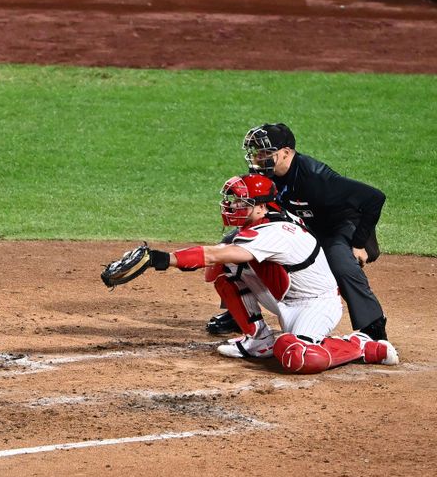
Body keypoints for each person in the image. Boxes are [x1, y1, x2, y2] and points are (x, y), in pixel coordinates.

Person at [149, 173, 398, 373]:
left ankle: (360, 345)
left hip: (315, 305)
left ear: (260, 207)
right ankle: (258, 340)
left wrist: (165, 259)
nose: (232, 205)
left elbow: (212, 255)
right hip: (284, 297)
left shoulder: (277, 232)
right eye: (232, 200)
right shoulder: (259, 222)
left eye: (240, 202)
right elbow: (213, 268)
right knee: (225, 267)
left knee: (297, 355)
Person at [207, 123, 390, 342]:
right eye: (255, 153)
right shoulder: (263, 174)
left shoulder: (316, 177)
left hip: (338, 226)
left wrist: (359, 243)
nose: (257, 158)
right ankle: (238, 314)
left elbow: (374, 198)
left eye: (264, 153)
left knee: (340, 262)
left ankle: (372, 327)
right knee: (234, 246)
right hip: (303, 227)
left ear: (285, 153)